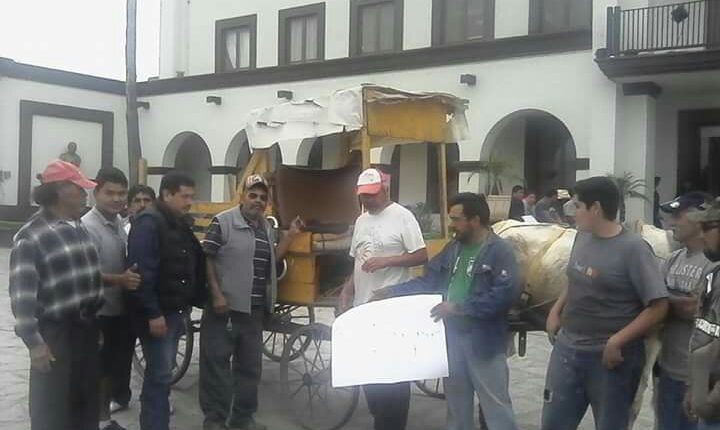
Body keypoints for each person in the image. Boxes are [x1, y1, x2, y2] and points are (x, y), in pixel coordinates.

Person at [374, 192, 520, 430]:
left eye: (456, 219)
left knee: (496, 408)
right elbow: (427, 281)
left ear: (475, 220)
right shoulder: (453, 249)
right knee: (456, 407)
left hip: (484, 343)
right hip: (451, 341)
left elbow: (504, 295)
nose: (451, 224)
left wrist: (459, 308)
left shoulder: (499, 251)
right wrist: (392, 292)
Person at [542, 176, 669, 430]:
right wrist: (555, 311)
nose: (572, 212)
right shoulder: (581, 237)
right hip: (568, 349)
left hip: (610, 359)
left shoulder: (633, 249)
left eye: (578, 206)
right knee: (553, 423)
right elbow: (574, 278)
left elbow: (658, 306)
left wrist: (617, 341)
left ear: (596, 208)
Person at [199, 174, 304, 430]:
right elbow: (206, 258)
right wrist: (217, 294)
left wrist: (290, 235)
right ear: (242, 196)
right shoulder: (223, 222)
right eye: (252, 195)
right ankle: (214, 421)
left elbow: (271, 260)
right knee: (217, 367)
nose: (257, 201)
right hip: (224, 310)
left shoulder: (265, 227)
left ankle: (242, 419)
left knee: (249, 370)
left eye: (262, 197)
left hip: (253, 311)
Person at [9, 160, 103, 430]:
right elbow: (22, 297)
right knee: (52, 407)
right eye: (79, 188)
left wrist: (95, 324)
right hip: (55, 333)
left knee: (85, 401)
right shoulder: (31, 236)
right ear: (60, 190)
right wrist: (34, 344)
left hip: (85, 328)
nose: (85, 194)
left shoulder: (77, 226)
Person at [339, 168, 428, 430]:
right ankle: (381, 415)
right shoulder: (361, 221)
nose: (367, 200)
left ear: (384, 190)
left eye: (372, 194)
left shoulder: (402, 217)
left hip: (391, 308)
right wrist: (347, 290)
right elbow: (358, 261)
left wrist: (387, 261)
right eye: (363, 196)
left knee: (394, 375)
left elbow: (421, 255)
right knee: (369, 371)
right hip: (363, 306)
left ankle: (392, 423)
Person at [127, 172, 207, 430]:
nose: (189, 202)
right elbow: (142, 273)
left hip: (174, 310)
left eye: (192, 197)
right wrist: (153, 313)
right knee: (160, 375)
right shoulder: (149, 223)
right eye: (185, 196)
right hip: (158, 313)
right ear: (166, 194)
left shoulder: (177, 222)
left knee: (164, 371)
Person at [82, 168, 143, 430]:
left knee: (116, 364)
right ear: (96, 192)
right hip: (98, 311)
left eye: (121, 193)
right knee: (100, 369)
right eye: (110, 193)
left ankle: (110, 409)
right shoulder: (87, 227)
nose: (117, 199)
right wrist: (120, 280)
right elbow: (84, 275)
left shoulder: (119, 222)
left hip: (120, 308)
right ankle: (100, 420)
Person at [655, 192, 717, 430]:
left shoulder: (713, 264)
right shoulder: (672, 260)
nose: (671, 223)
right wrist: (672, 303)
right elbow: (655, 304)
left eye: (678, 216)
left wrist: (665, 302)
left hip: (705, 381)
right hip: (669, 371)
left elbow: (696, 310)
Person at [685, 198, 720, 429]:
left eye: (707, 227)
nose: (701, 235)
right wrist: (694, 389)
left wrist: (712, 399)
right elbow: (703, 333)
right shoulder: (713, 275)